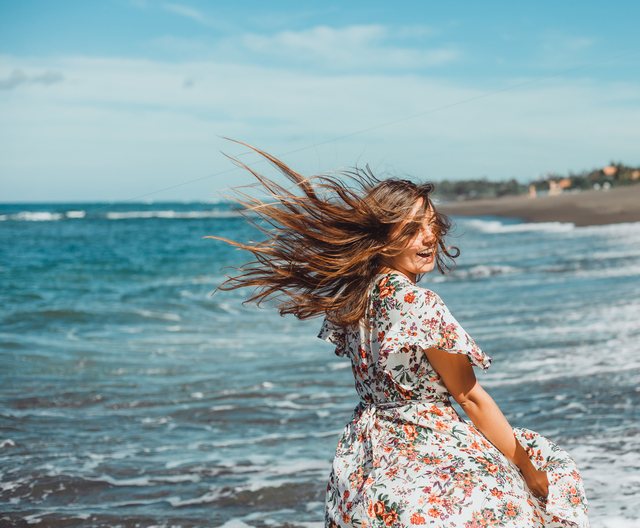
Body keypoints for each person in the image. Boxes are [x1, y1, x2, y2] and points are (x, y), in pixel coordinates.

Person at [212, 144, 590, 528]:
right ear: (381, 238)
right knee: (552, 473)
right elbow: (469, 396)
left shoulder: (356, 300)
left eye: (432, 225)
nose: (429, 238)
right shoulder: (418, 302)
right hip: (428, 455)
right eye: (412, 229)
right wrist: (527, 468)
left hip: (367, 463)